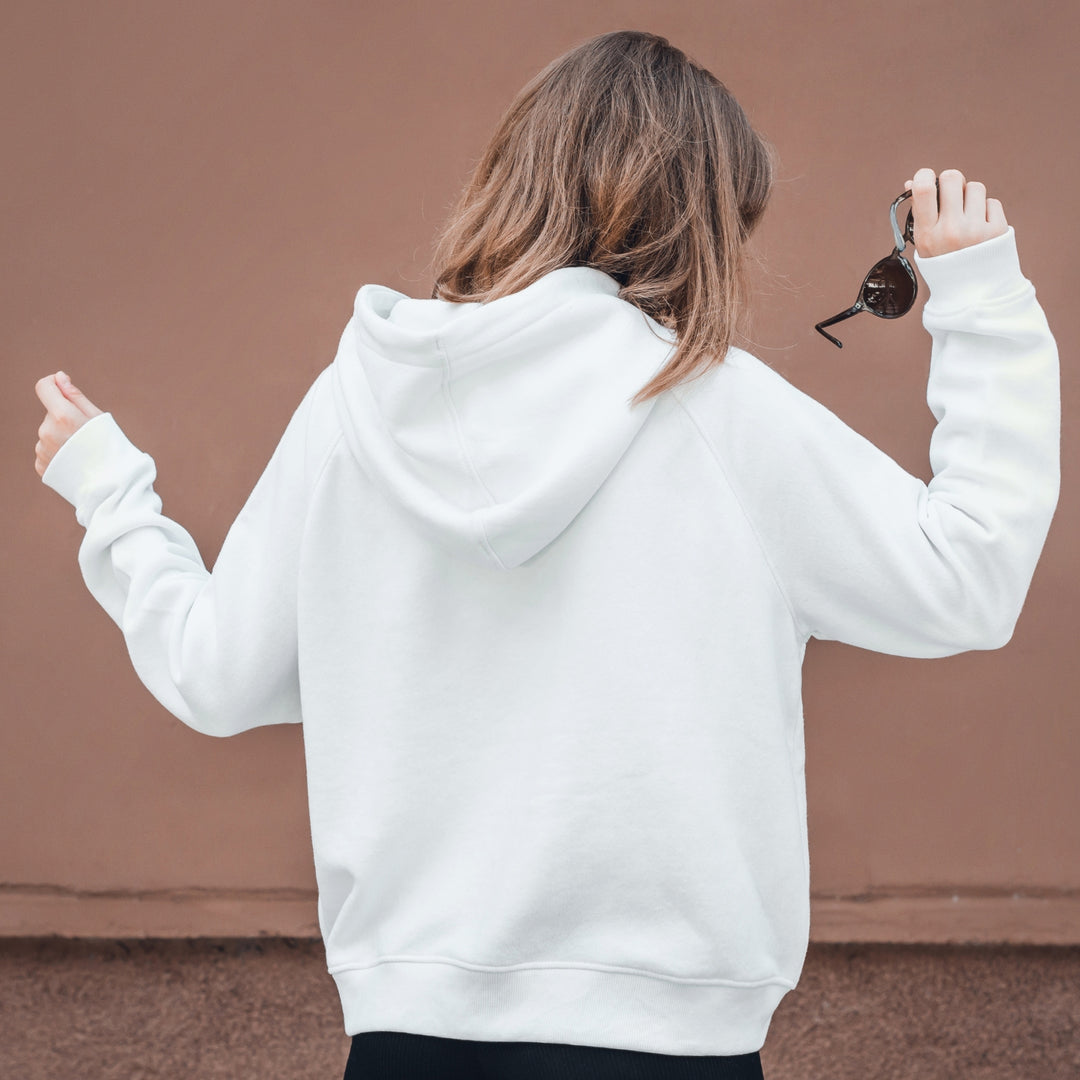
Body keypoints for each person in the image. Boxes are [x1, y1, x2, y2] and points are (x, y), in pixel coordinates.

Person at [34, 29, 1059, 1080]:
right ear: (702, 223)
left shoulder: (356, 407)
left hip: (406, 1035)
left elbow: (216, 676)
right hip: (672, 1044)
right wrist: (982, 297)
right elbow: (966, 580)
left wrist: (111, 492)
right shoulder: (713, 408)